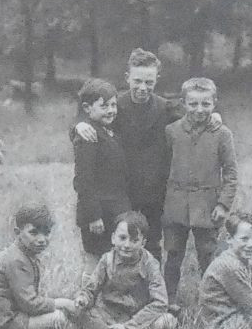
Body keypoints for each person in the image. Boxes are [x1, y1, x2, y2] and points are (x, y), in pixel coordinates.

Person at [70, 49, 181, 261]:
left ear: (157, 79)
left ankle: (151, 292)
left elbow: (195, 114)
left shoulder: (164, 107)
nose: (142, 87)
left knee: (150, 244)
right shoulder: (114, 105)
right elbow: (88, 120)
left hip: (153, 193)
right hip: (121, 195)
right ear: (127, 78)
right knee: (119, 250)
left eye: (149, 82)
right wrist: (78, 125)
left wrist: (215, 114)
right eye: (137, 80)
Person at [160, 77, 237, 311]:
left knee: (208, 254)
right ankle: (168, 300)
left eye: (206, 104)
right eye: (193, 104)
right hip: (176, 204)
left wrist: (223, 205)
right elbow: (161, 167)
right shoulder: (171, 131)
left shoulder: (222, 133)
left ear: (214, 103)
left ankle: (211, 301)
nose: (199, 110)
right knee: (173, 254)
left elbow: (231, 173)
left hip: (208, 205)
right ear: (183, 103)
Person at [0, 202, 77, 329]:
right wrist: (61, 302)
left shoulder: (23, 254)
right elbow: (30, 304)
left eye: (46, 233)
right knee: (58, 317)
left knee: (54, 315)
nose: (41, 239)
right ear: (17, 233)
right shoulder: (16, 260)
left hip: (0, 317)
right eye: (33, 232)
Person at [73, 211, 177, 329]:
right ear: (113, 238)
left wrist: (129, 327)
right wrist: (83, 298)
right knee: (77, 310)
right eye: (122, 238)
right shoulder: (107, 260)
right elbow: (91, 289)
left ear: (143, 243)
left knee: (168, 320)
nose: (127, 245)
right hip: (108, 314)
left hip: (137, 316)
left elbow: (160, 302)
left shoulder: (150, 264)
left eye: (134, 240)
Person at [71, 77, 130, 260]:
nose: (111, 110)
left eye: (113, 105)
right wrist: (94, 216)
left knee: (112, 260)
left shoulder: (109, 130)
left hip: (113, 209)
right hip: (98, 215)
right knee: (96, 261)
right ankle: (89, 289)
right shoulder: (88, 136)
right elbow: (84, 181)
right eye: (104, 106)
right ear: (88, 108)